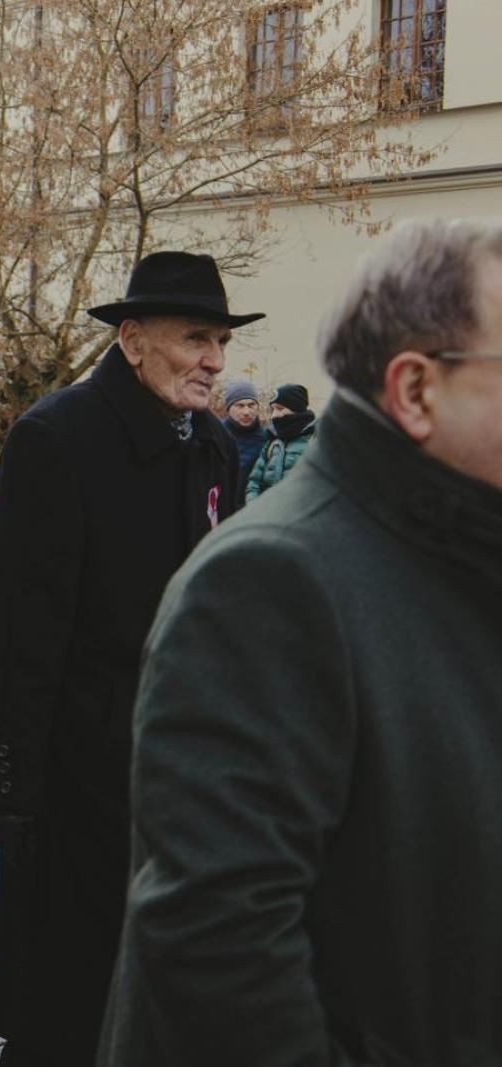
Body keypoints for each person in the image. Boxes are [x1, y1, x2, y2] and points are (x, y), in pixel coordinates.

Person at [101, 219, 502, 1064]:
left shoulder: (461, 549)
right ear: (417, 391)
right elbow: (220, 947)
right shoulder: (268, 584)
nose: (212, 360)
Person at [0, 251, 255, 1066]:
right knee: (65, 1004)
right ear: (132, 339)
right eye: (195, 338)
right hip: (76, 772)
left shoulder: (209, 442)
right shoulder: (57, 437)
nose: (214, 361)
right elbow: (18, 629)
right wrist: (7, 786)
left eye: (221, 341)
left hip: (179, 771)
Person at [245, 382, 317, 500]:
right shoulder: (272, 443)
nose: (274, 415)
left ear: (296, 409)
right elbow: (254, 484)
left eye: (280, 409)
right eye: (272, 409)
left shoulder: (316, 442)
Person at [219, 379, 266, 483]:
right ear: (228, 408)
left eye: (251, 405)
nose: (246, 412)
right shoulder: (216, 435)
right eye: (240, 406)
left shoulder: (267, 439)